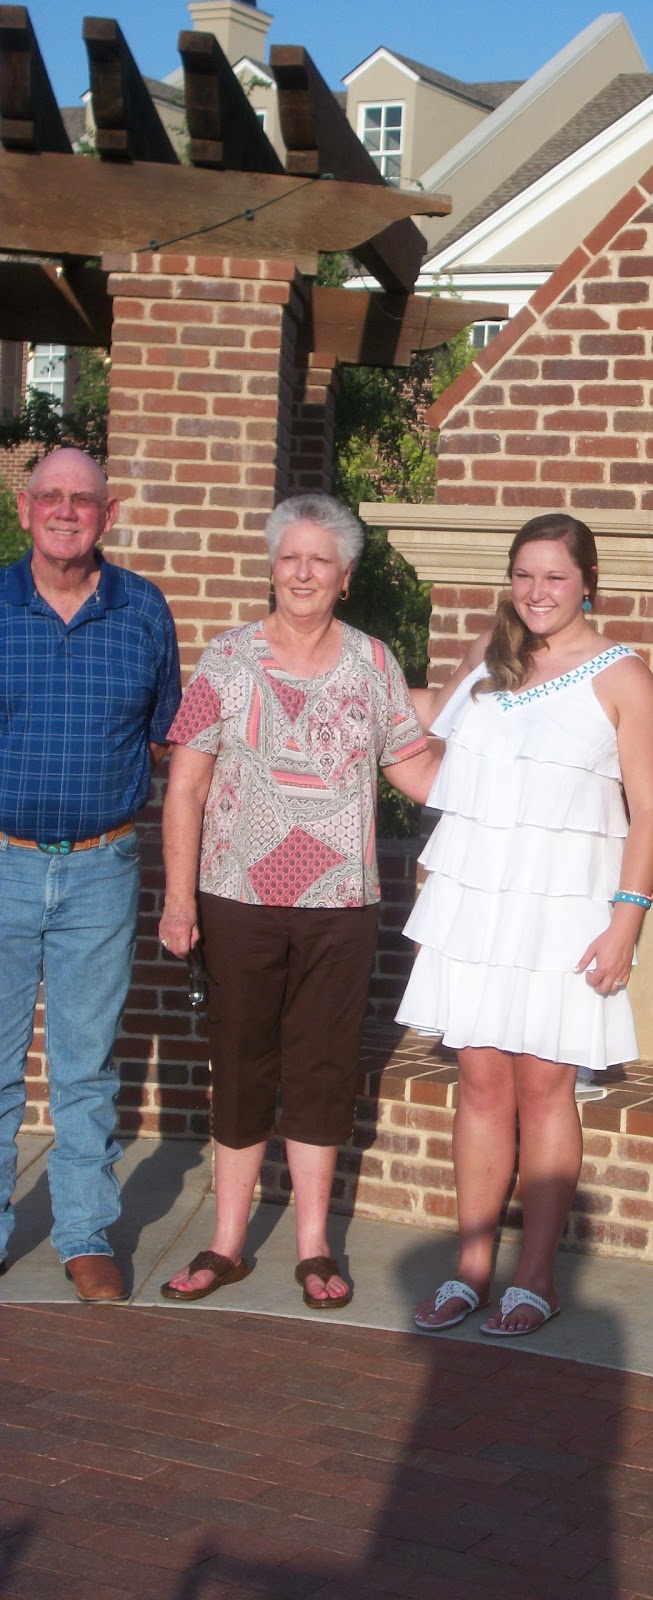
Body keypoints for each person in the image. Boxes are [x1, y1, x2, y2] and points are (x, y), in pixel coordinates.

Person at [158, 494, 438, 1311]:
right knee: (241, 1065)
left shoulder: (372, 664)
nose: (304, 572)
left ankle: (314, 1245)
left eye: (321, 560)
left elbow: (414, 772)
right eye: (291, 557)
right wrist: (180, 902)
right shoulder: (226, 659)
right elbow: (186, 788)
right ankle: (226, 1241)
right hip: (235, 897)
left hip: (341, 904)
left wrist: (510, 770)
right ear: (272, 568)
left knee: (321, 1068)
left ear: (345, 577)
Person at [400, 513, 653, 1337]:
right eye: (524, 575)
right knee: (480, 1084)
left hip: (569, 907)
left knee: (546, 1087)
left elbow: (652, 806)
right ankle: (472, 1269)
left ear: (587, 579)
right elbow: (419, 759)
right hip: (477, 902)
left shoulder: (622, 674)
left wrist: (628, 920)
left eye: (555, 576)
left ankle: (539, 1276)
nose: (538, 591)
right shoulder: (486, 664)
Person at [0, 446, 181, 1302]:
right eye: (51, 497)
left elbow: (171, 737)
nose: (66, 511)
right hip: (2, 862)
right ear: (27, 507)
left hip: (103, 868)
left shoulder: (143, 609)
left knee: (85, 1064)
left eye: (84, 500)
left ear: (109, 514)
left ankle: (83, 1232)